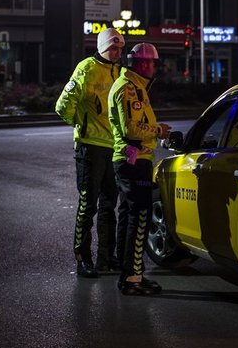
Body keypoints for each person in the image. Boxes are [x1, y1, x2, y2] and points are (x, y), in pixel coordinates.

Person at [55, 28, 124, 278]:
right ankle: (83, 258)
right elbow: (63, 105)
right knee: (88, 205)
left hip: (113, 148)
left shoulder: (120, 71)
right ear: (102, 47)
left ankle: (107, 257)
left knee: (109, 205)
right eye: (113, 48)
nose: (117, 53)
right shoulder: (86, 68)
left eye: (119, 48)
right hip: (90, 148)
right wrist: (80, 125)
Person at [108, 43, 171, 295]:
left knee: (128, 215)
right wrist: (159, 131)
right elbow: (131, 130)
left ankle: (128, 274)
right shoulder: (129, 89)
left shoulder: (134, 87)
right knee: (140, 217)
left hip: (130, 161)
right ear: (144, 64)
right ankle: (133, 278)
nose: (154, 67)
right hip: (134, 162)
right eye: (152, 63)